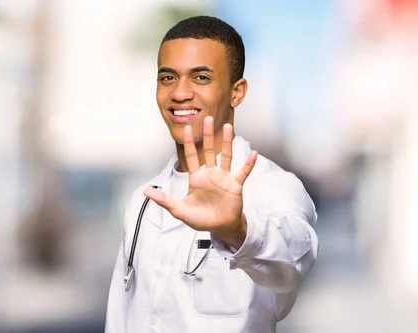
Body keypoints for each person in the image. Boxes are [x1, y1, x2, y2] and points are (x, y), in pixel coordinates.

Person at [105, 16, 318, 333]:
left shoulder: (271, 186)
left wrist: (238, 231)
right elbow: (120, 317)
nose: (179, 93)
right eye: (167, 78)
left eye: (200, 77)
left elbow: (293, 259)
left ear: (237, 92)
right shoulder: (144, 199)